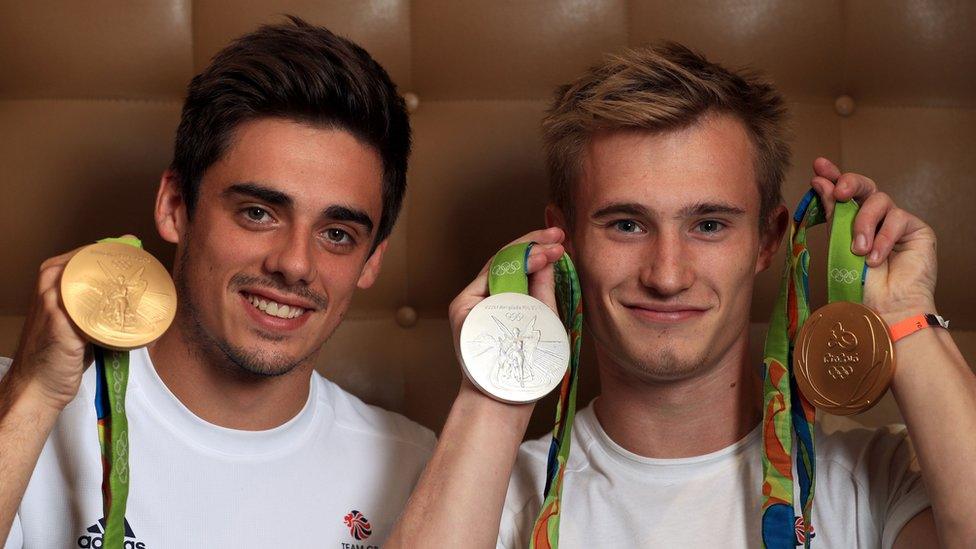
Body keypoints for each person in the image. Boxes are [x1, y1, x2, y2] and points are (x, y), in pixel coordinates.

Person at [389, 43, 976, 548]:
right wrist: (500, 381)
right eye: (626, 224)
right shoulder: (489, 494)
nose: (667, 275)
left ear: (768, 240)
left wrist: (905, 319)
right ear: (563, 241)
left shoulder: (876, 481)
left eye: (710, 225)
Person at [0, 17, 434, 547]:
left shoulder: (419, 468)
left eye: (338, 234)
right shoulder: (18, 403)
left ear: (372, 261)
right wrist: (33, 396)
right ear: (175, 207)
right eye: (258, 212)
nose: (295, 264)